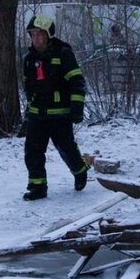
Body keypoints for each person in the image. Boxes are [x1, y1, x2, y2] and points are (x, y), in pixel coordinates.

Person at [22, 14, 89, 201]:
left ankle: (80, 171)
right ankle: (37, 187)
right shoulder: (28, 59)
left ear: (48, 35)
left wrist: (76, 109)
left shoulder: (63, 54)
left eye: (40, 35)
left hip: (60, 115)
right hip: (37, 115)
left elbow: (77, 82)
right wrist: (28, 112)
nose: (36, 39)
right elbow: (28, 87)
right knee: (33, 152)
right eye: (33, 35)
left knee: (66, 148)